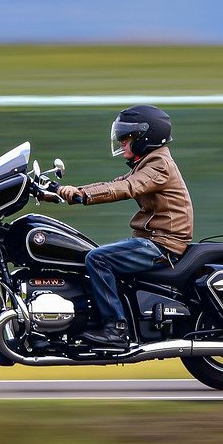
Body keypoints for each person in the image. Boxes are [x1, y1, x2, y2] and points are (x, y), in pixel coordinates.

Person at [54, 105, 194, 347]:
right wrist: (56, 193)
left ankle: (116, 329)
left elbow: (126, 188)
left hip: (162, 244)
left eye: (126, 138)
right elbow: (114, 183)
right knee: (90, 254)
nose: (122, 144)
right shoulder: (149, 163)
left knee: (98, 259)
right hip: (152, 239)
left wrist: (82, 196)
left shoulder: (160, 165)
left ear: (145, 138)